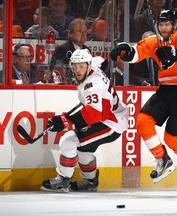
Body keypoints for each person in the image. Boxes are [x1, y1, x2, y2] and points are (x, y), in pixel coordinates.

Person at [110, 10, 177, 184]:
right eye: (161, 24)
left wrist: (172, 53)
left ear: (174, 25)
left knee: (172, 138)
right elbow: (136, 53)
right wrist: (124, 51)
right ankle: (162, 159)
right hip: (166, 90)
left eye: (167, 24)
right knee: (143, 121)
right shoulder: (155, 41)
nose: (164, 28)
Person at [41, 49, 128, 192]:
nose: (78, 70)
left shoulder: (92, 86)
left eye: (81, 66)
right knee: (83, 148)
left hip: (111, 122)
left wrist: (64, 120)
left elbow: (93, 114)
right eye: (75, 66)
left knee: (68, 140)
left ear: (88, 66)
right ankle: (90, 181)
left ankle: (63, 179)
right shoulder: (93, 63)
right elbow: (103, 61)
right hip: (108, 116)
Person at [48, 18, 89, 84]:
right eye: (79, 31)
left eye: (85, 32)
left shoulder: (87, 50)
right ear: (70, 34)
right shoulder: (62, 49)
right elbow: (56, 70)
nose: (83, 34)